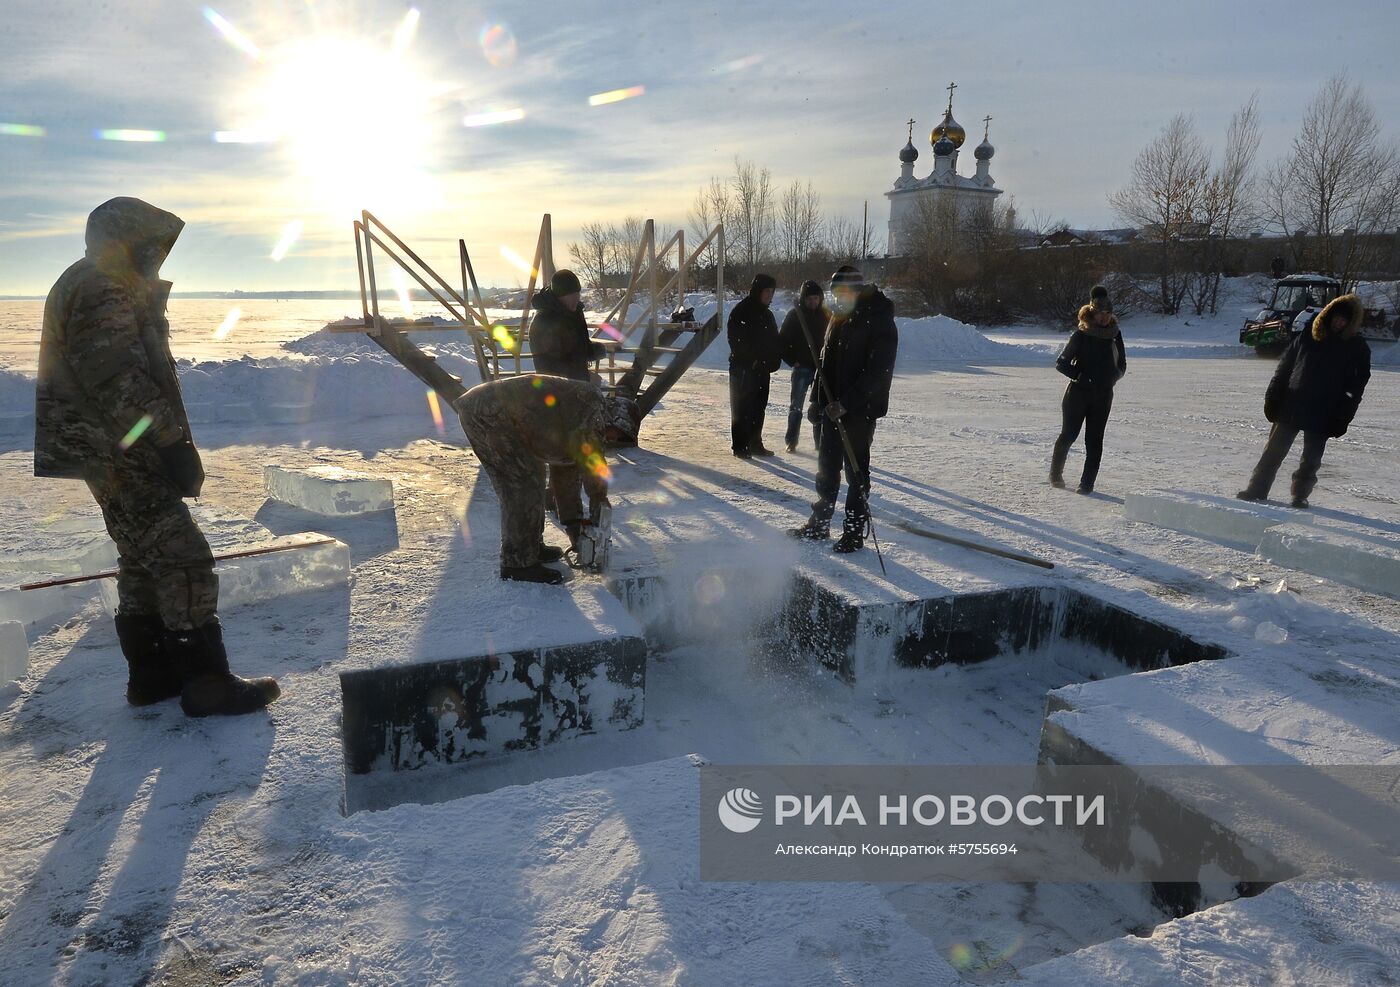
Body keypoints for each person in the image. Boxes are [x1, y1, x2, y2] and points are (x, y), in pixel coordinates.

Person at [35, 197, 280, 717]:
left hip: (111, 446)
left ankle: (152, 677)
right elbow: (118, 380)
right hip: (120, 448)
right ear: (127, 239)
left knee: (142, 558)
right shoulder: (100, 285)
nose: (159, 254)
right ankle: (205, 685)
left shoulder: (99, 281)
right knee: (182, 556)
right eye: (151, 243)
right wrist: (170, 443)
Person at [456, 375, 611, 584]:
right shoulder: (590, 410)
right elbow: (593, 462)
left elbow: (565, 472)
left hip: (502, 414)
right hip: (487, 413)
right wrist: (598, 498)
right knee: (521, 484)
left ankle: (532, 546)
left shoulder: (584, 418)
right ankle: (518, 563)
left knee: (534, 475)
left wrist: (573, 524)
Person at [789, 266, 898, 553]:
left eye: (842, 293)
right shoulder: (838, 317)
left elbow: (878, 372)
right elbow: (824, 363)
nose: (837, 299)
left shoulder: (878, 319)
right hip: (832, 409)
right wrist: (817, 400)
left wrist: (847, 403)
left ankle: (853, 530)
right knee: (827, 468)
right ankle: (820, 521)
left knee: (856, 472)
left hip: (858, 411)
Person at [1237, 293, 1370, 508]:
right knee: (1273, 452)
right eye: (1336, 317)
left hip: (1324, 410)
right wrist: (1272, 397)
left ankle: (1300, 495)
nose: (1339, 322)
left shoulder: (1357, 347)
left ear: (1350, 322)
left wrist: (1343, 416)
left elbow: (1357, 386)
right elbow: (1285, 368)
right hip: (1292, 403)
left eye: (1344, 319)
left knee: (1311, 460)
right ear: (1328, 315)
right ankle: (1256, 489)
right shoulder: (1309, 335)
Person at [528, 269, 607, 552]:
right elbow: (551, 364)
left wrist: (594, 351)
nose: (576, 299)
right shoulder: (543, 322)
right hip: (556, 398)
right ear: (560, 295)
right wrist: (581, 359)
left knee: (592, 450)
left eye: (578, 294)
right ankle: (573, 523)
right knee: (565, 461)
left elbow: (579, 349)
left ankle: (599, 502)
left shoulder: (575, 314)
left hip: (579, 393)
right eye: (572, 295)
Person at [1050, 284, 1127, 494]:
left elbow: (1122, 364)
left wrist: (1113, 377)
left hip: (1103, 396)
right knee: (1069, 435)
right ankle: (1056, 475)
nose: (1105, 318)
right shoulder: (1081, 335)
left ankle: (1087, 484)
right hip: (1077, 395)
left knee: (1095, 440)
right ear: (1093, 312)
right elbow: (1061, 363)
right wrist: (1079, 376)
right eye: (1101, 313)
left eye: (1109, 313)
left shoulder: (1114, 335)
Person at [726, 274, 782, 458]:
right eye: (766, 291)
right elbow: (736, 340)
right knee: (741, 408)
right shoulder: (741, 311)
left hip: (762, 369)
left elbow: (774, 340)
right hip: (742, 369)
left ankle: (755, 443)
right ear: (758, 291)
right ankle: (740, 446)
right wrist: (752, 361)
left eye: (771, 292)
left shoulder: (767, 315)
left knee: (759, 407)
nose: (769, 295)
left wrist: (774, 360)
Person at [778, 280, 828, 452]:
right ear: (803, 299)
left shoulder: (825, 316)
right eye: (810, 299)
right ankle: (791, 441)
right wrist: (793, 360)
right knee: (796, 406)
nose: (813, 302)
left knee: (820, 406)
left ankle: (820, 443)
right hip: (802, 367)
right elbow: (782, 342)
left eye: (816, 298)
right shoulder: (795, 315)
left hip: (821, 368)